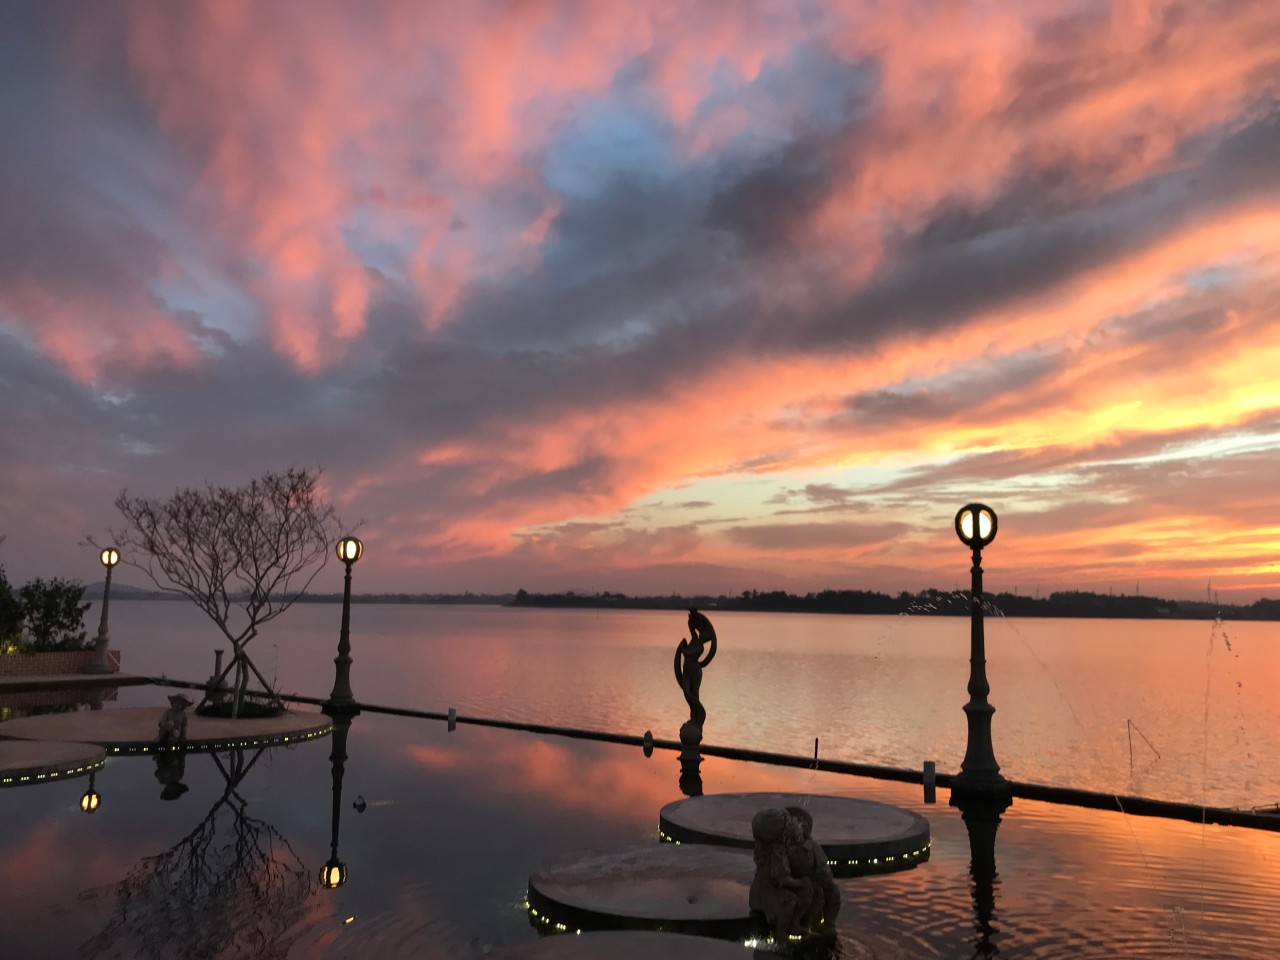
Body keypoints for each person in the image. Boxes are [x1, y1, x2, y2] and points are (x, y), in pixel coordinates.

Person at [749, 807, 814, 938]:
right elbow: (782, 879)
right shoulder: (777, 853)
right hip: (767, 895)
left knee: (805, 893)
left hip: (760, 891)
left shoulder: (764, 847)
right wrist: (801, 882)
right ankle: (781, 933)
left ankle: (794, 923)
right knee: (790, 900)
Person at [785, 805, 841, 930]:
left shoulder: (812, 846)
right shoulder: (782, 848)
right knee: (816, 894)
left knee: (832, 892)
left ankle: (828, 924)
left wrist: (824, 876)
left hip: (812, 880)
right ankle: (810, 924)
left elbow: (822, 867)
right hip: (794, 884)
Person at [673, 608, 718, 729]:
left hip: (695, 671)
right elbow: (691, 628)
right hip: (686, 670)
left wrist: (682, 648)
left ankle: (698, 716)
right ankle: (694, 716)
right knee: (686, 692)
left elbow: (688, 653)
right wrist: (693, 617)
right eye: (700, 634)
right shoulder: (693, 640)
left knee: (693, 693)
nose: (700, 636)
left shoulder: (700, 648)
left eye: (703, 637)